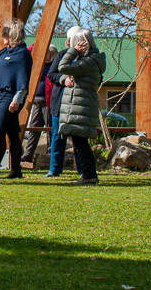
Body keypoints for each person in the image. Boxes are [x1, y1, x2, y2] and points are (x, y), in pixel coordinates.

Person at [0, 19, 33, 179]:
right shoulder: (5, 52)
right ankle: (16, 170)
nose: (2, 37)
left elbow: (23, 78)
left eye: (5, 34)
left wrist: (17, 99)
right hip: (3, 95)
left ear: (13, 35)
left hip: (13, 96)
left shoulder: (23, 53)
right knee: (12, 134)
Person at [58, 28, 106, 185]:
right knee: (79, 142)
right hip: (81, 105)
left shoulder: (88, 62)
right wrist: (66, 78)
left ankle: (89, 175)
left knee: (81, 143)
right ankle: (88, 174)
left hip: (81, 106)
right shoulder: (90, 61)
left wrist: (72, 52)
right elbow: (66, 73)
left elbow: (62, 67)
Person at [46, 29, 83, 176]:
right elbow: (51, 74)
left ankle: (82, 170)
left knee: (79, 138)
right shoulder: (61, 55)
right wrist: (64, 79)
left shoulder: (87, 57)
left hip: (78, 103)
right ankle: (54, 170)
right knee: (57, 136)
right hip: (60, 102)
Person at [22, 44, 58, 163]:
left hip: (48, 101)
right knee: (34, 128)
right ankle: (28, 154)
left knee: (49, 128)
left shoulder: (54, 66)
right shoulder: (38, 63)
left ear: (51, 54)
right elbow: (30, 50)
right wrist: (38, 47)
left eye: (45, 52)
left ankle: (50, 153)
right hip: (36, 99)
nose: (43, 54)